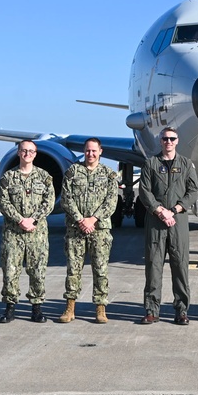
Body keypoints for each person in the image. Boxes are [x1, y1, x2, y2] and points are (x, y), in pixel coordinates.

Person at [138, 126, 198, 325]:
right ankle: (151, 310)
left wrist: (175, 209)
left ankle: (181, 310)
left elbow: (193, 190)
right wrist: (160, 210)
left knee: (180, 267)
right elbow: (144, 191)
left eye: (172, 138)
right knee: (153, 268)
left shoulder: (186, 164)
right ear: (160, 140)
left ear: (177, 140)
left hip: (178, 222)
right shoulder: (151, 164)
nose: (168, 142)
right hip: (156, 223)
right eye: (165, 139)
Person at [57, 137, 119, 324]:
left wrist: (93, 219)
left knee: (100, 270)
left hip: (99, 229)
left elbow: (111, 201)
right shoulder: (73, 172)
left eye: (94, 151)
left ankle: (100, 308)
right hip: (76, 229)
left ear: (100, 152)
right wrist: (80, 219)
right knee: (73, 270)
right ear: (83, 152)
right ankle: (70, 307)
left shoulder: (109, 174)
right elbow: (66, 198)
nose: (90, 154)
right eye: (87, 151)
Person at [0, 140, 55, 323]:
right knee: (10, 270)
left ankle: (36, 308)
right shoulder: (8, 177)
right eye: (24, 151)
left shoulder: (44, 177)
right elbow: (3, 202)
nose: (27, 154)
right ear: (18, 153)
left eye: (31, 151)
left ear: (35, 154)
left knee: (37, 271)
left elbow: (49, 201)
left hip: (36, 233)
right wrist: (20, 219)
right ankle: (10, 307)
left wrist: (34, 219)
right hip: (13, 232)